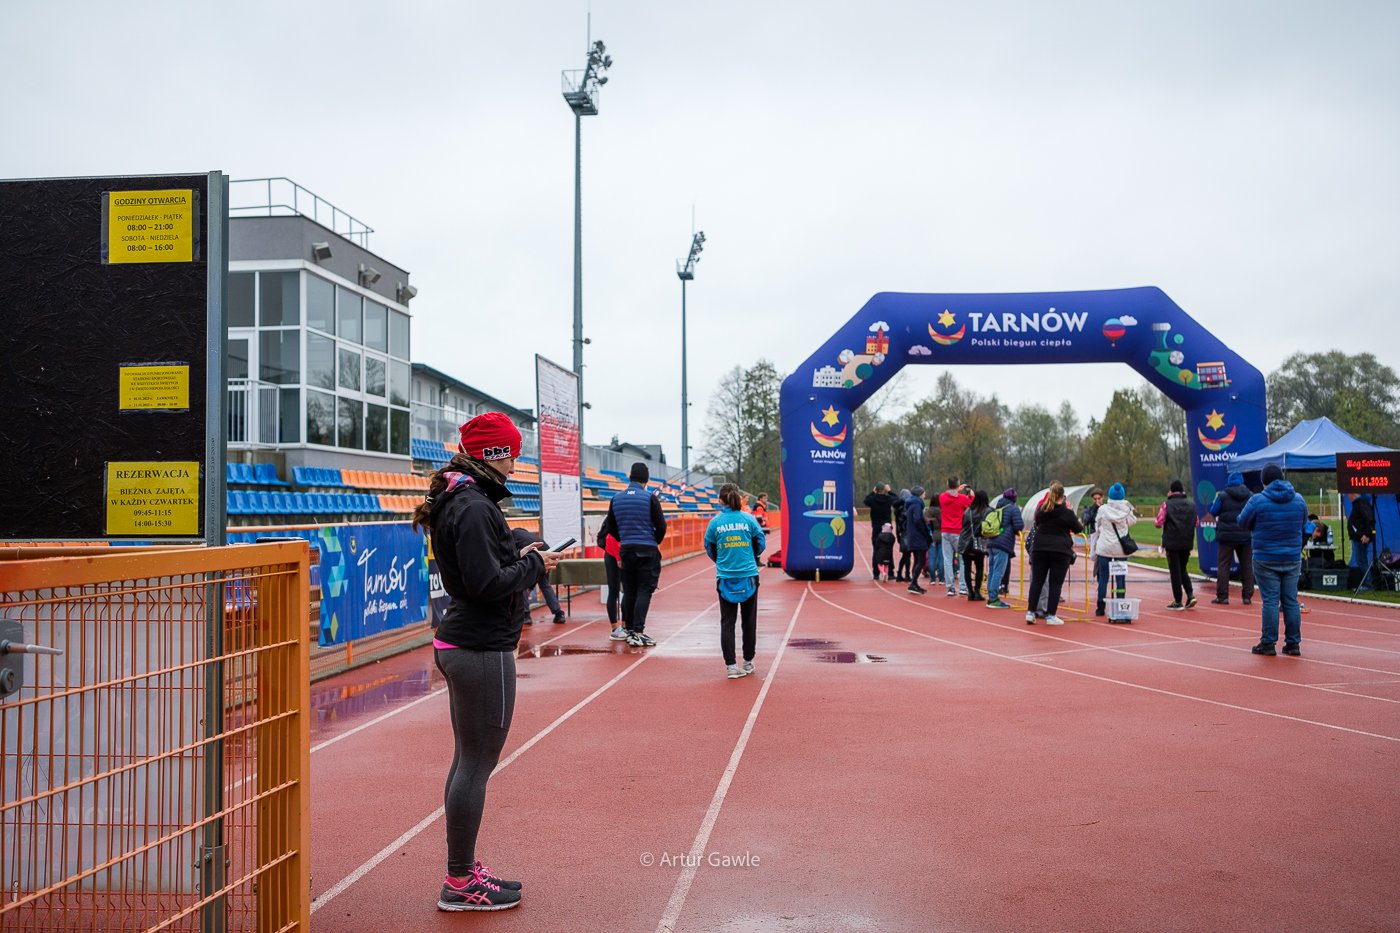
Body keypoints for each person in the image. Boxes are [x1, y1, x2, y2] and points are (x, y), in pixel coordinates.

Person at [411, 411, 560, 911]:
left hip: (468, 643)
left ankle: (463, 870)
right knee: (476, 765)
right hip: (480, 648)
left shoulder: (464, 498)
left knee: (468, 762)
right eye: (512, 452)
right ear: (494, 454)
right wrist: (535, 563)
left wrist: (517, 544)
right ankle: (459, 882)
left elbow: (485, 563)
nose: (517, 460)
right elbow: (486, 582)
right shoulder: (473, 505)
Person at [1238, 463, 1308, 656]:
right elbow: (1304, 524)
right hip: (1292, 557)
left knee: (1270, 601)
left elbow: (1242, 522)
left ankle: (1268, 643)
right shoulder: (1299, 500)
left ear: (1264, 481)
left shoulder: (1257, 500)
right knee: (1291, 601)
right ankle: (1293, 643)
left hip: (1265, 556)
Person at [704, 483, 767, 679]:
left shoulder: (715, 523)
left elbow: (709, 547)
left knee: (727, 622)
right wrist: (750, 556)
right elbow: (760, 543)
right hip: (748, 575)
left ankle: (731, 666)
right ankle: (748, 662)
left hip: (725, 577)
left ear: (720, 500)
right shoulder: (748, 519)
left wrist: (721, 561)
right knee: (749, 622)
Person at [607, 462, 668, 647]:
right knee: (644, 590)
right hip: (647, 549)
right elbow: (661, 526)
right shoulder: (650, 498)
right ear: (646, 479)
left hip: (626, 549)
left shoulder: (616, 499)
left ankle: (630, 629)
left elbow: (611, 528)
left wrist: (625, 538)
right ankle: (638, 631)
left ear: (630, 477)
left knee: (630, 590)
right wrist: (654, 541)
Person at [1025, 481, 1083, 625]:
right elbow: (1078, 528)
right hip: (1059, 550)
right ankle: (1051, 615)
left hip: (1040, 548)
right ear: (1063, 496)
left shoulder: (1041, 510)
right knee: (1055, 584)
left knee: (1037, 582)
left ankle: (1030, 612)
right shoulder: (1066, 512)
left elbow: (1037, 523)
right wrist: (1071, 511)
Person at [1091, 483, 1138, 618]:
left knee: (1103, 579)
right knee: (1120, 579)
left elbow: (1097, 524)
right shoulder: (1126, 510)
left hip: (1104, 548)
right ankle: (1120, 604)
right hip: (1120, 550)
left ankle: (1100, 607)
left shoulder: (1103, 509)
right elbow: (1133, 521)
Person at [1208, 471, 1255, 605]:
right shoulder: (1250, 496)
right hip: (1245, 534)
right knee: (1247, 566)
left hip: (1227, 535)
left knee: (1223, 565)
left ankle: (1223, 596)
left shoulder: (1223, 495)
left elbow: (1213, 511)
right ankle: (1247, 596)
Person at [509, 528, 568, 624]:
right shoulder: (529, 536)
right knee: (545, 584)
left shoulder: (513, 536)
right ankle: (559, 613)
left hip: (532, 555)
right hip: (546, 552)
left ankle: (526, 615)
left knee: (521, 584)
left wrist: (528, 586)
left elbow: (514, 557)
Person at [1156, 479, 1198, 610]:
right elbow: (1196, 523)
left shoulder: (1167, 504)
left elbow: (1159, 522)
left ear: (1171, 491)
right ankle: (1190, 595)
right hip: (1187, 541)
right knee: (1182, 569)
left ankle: (1178, 600)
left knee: (1175, 571)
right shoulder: (1192, 505)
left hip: (1172, 542)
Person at [985, 488, 1025, 609]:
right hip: (1003, 543)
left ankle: (991, 596)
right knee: (998, 571)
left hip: (991, 541)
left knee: (992, 570)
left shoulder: (998, 507)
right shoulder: (1013, 509)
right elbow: (1019, 525)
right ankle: (994, 599)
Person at [939, 478, 973, 596]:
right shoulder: (962, 499)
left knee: (947, 560)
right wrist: (971, 495)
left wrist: (956, 489)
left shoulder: (942, 498)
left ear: (947, 484)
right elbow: (971, 505)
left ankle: (950, 587)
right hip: (958, 531)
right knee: (962, 560)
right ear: (958, 485)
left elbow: (949, 494)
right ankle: (963, 587)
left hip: (945, 531)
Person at [597, 510, 627, 640]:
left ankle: (625, 625)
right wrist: (618, 558)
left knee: (626, 591)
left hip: (619, 553)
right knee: (614, 591)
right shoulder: (616, 516)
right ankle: (615, 627)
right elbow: (611, 538)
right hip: (612, 554)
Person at [959, 490, 991, 602]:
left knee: (967, 568)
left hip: (965, 542)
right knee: (979, 567)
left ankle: (970, 592)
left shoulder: (968, 511)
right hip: (979, 542)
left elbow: (963, 525)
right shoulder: (988, 511)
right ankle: (977, 590)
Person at [863, 483, 898, 580]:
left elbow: (865, 500)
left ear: (876, 490)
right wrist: (889, 491)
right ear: (884, 490)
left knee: (876, 549)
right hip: (887, 528)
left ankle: (876, 573)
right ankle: (890, 572)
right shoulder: (888, 499)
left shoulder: (872, 499)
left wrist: (873, 492)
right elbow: (897, 499)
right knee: (888, 550)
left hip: (876, 527)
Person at [903, 486, 933, 595]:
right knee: (920, 561)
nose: (925, 495)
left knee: (916, 560)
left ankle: (914, 583)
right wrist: (924, 529)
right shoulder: (916, 505)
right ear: (920, 494)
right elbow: (917, 520)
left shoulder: (911, 504)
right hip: (918, 537)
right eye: (923, 493)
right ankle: (913, 583)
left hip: (913, 536)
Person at [1347, 492, 1377, 590]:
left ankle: (1368, 584)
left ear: (1354, 494)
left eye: (1349, 494)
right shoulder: (1358, 504)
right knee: (1361, 560)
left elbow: (1369, 519)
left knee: (1361, 560)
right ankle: (1367, 583)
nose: (1348, 497)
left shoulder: (1361, 504)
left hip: (1361, 538)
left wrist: (1367, 534)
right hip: (1358, 537)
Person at [894, 488, 912, 582]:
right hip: (907, 533)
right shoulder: (906, 508)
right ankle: (906, 574)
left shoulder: (898, 509)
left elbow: (898, 524)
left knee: (905, 555)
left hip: (902, 533)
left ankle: (900, 573)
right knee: (907, 555)